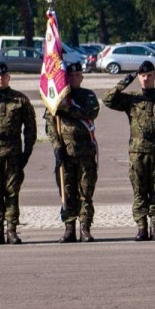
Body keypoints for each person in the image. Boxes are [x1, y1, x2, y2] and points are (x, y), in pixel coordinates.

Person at [104, 60, 155, 241]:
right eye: (143, 76)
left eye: (149, 75)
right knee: (139, 191)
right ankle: (141, 227)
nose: (146, 79)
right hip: (137, 153)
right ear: (139, 77)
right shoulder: (132, 99)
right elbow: (108, 99)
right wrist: (125, 81)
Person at [45, 61, 99, 242]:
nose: (74, 78)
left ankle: (85, 228)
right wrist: (57, 147)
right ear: (65, 77)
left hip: (86, 153)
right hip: (65, 153)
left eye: (77, 75)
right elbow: (50, 126)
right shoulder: (56, 98)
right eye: (71, 75)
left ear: (82, 77)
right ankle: (69, 228)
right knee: (67, 192)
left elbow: (90, 113)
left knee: (86, 192)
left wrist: (67, 107)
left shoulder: (88, 95)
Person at [0, 62, 36, 244]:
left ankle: (12, 230)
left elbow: (30, 128)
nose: (1, 80)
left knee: (12, 192)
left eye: (4, 76)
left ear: (9, 77)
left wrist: (27, 152)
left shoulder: (20, 100)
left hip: (13, 153)